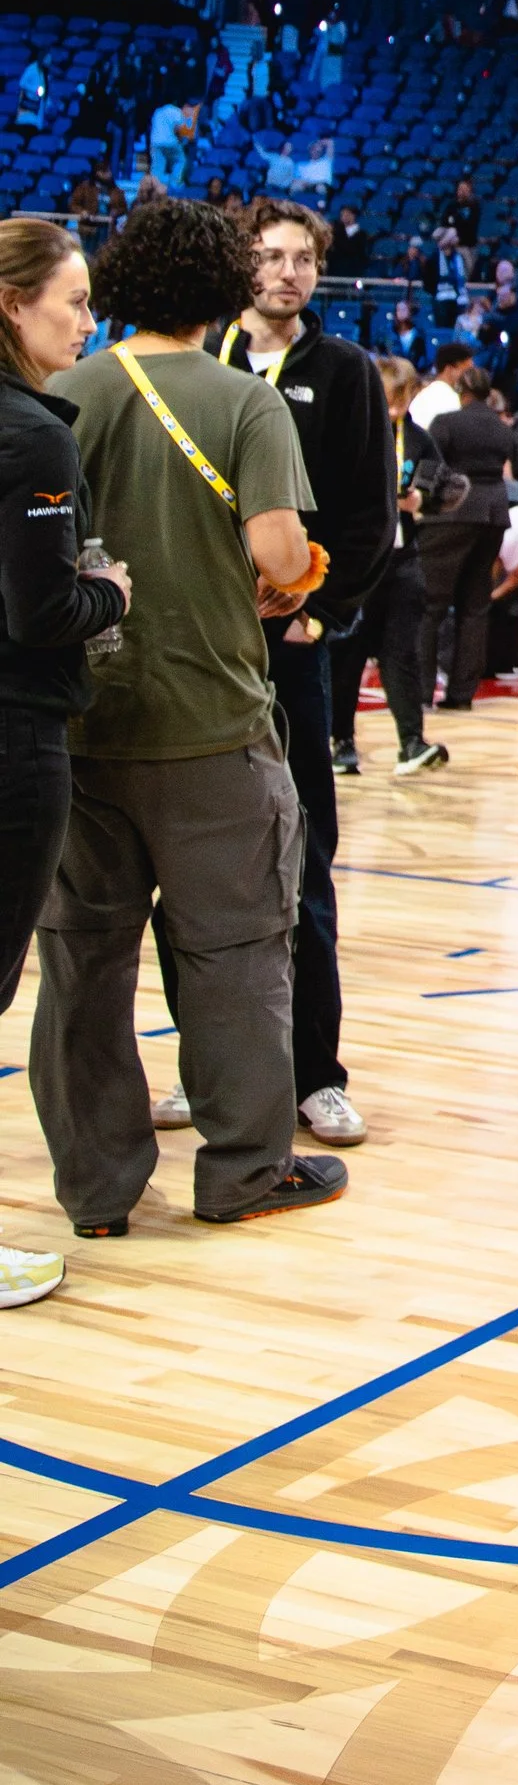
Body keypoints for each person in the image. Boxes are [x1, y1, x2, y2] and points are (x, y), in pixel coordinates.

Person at [32, 200, 347, 1235]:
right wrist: (298, 578)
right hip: (210, 719)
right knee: (236, 955)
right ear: (225, 288)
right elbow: (275, 556)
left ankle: (96, 1190)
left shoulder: (61, 393)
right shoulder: (243, 402)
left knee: (83, 966)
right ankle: (243, 1171)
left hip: (79, 723)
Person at [210, 200, 393, 1156]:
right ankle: (213, 1072)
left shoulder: (347, 373)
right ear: (241, 267)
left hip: (291, 657)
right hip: (199, 653)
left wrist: (319, 612)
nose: (287, 272)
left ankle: (316, 1074)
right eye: (271, 257)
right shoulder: (199, 364)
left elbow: (369, 520)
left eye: (302, 259)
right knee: (198, 871)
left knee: (304, 862)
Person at [0, 219, 130, 1307]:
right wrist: (114, 596)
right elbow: (45, 610)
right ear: (15, 304)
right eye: (74, 300)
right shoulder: (33, 437)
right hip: (14, 734)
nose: (86, 323)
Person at [355, 357, 453, 780]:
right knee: (347, 654)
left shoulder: (418, 438)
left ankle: (411, 741)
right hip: (357, 562)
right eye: (387, 400)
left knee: (402, 654)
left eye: (401, 400)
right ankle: (339, 741)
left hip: (403, 559)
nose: (393, 410)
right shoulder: (352, 433)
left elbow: (441, 484)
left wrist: (421, 501)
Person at [418, 366, 518, 713]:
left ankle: (420, 690)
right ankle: (462, 695)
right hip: (494, 513)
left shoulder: (446, 422)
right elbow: (515, 463)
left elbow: (430, 468)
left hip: (452, 512)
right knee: (475, 606)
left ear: (460, 391)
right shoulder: (503, 428)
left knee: (430, 604)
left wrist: (421, 506)